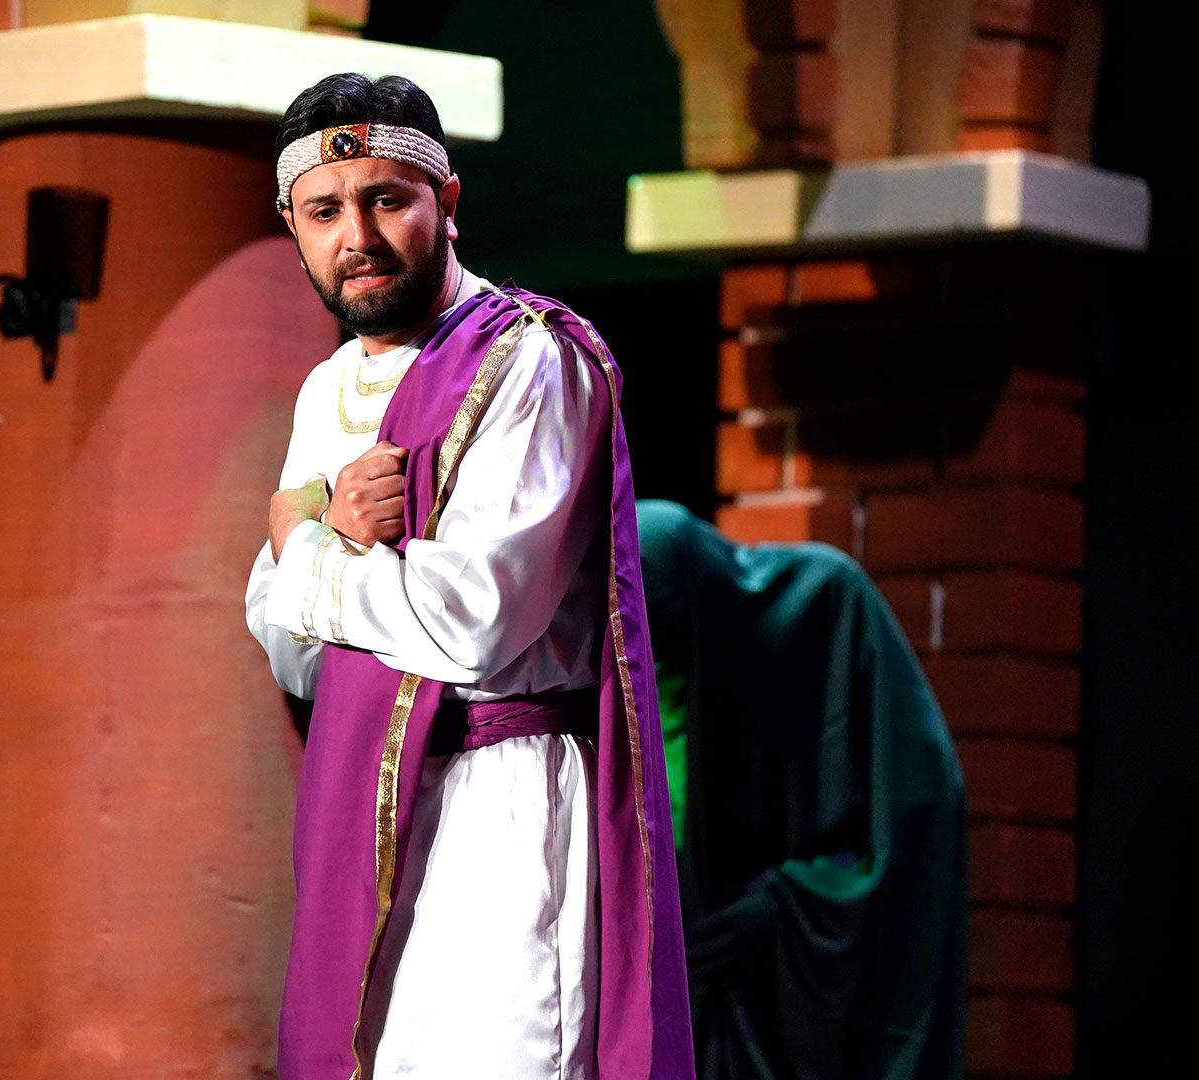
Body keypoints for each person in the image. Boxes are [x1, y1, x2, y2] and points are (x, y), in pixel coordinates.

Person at [245, 74, 692, 1079]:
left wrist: (301, 542)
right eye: (325, 212)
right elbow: (289, 651)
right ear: (292, 228)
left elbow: (473, 620)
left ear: (447, 202)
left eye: (385, 200)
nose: (357, 236)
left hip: (508, 806)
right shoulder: (326, 391)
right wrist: (326, 544)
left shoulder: (530, 361)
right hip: (366, 801)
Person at [636, 501, 967, 1080]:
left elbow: (914, 822)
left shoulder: (827, 607)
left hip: (795, 1016)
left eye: (665, 639)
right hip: (684, 1007)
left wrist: (789, 909)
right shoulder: (638, 659)